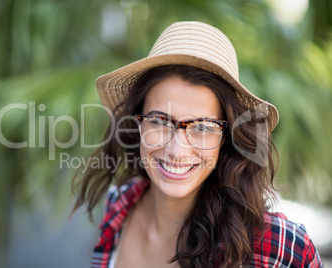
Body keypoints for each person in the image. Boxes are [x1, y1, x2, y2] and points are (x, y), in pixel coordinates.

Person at [72, 21, 323, 267]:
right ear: (137, 123)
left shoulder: (280, 250)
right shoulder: (119, 204)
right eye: (159, 121)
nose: (176, 150)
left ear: (225, 138)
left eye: (203, 127)